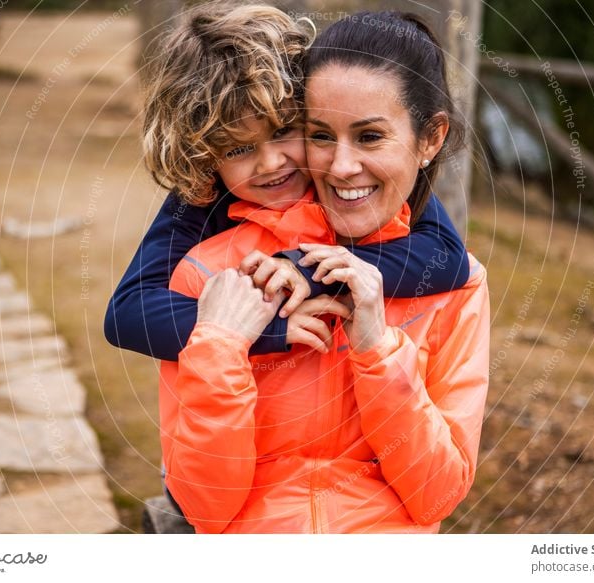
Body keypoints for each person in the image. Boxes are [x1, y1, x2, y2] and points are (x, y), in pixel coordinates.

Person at [159, 10, 490, 533]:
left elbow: (437, 497)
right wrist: (220, 346)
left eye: (371, 136)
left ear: (430, 140)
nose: (340, 166)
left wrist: (378, 350)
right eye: (320, 134)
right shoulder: (210, 273)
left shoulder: (457, 286)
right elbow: (204, 507)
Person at [104, 1, 469, 364]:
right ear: (205, 157)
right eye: (238, 149)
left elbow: (447, 258)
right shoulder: (203, 192)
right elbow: (128, 314)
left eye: (284, 130)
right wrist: (260, 328)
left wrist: (308, 271)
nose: (271, 163)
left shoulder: (346, 173)